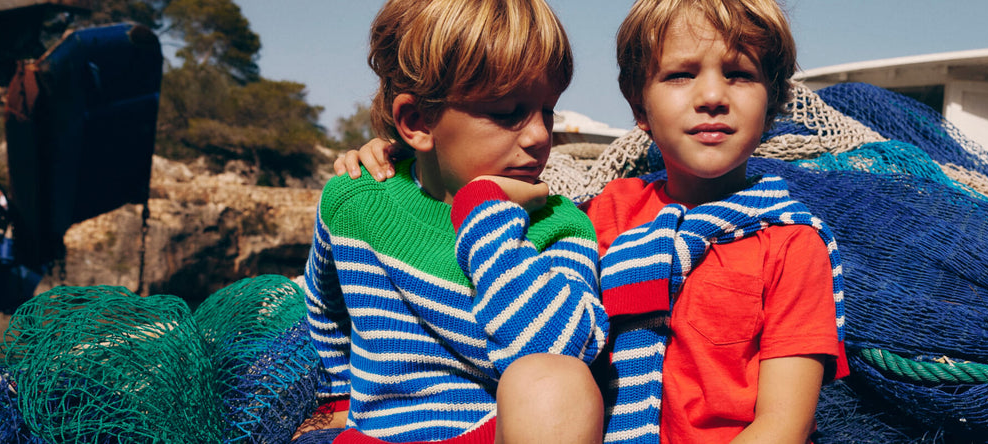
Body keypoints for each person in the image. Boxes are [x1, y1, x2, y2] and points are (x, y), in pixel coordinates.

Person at [336, 0, 847, 441]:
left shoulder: (792, 245)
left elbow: (783, 425)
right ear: (638, 107)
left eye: (739, 74)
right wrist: (395, 158)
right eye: (681, 74)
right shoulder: (607, 213)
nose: (713, 96)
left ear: (773, 100)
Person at [304, 0, 608, 443]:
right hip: (374, 436)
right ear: (417, 122)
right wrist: (337, 400)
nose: (541, 135)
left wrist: (484, 213)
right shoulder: (354, 199)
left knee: (556, 383)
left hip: (497, 432)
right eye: (507, 113)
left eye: (547, 110)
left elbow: (562, 355)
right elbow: (325, 306)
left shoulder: (559, 223)